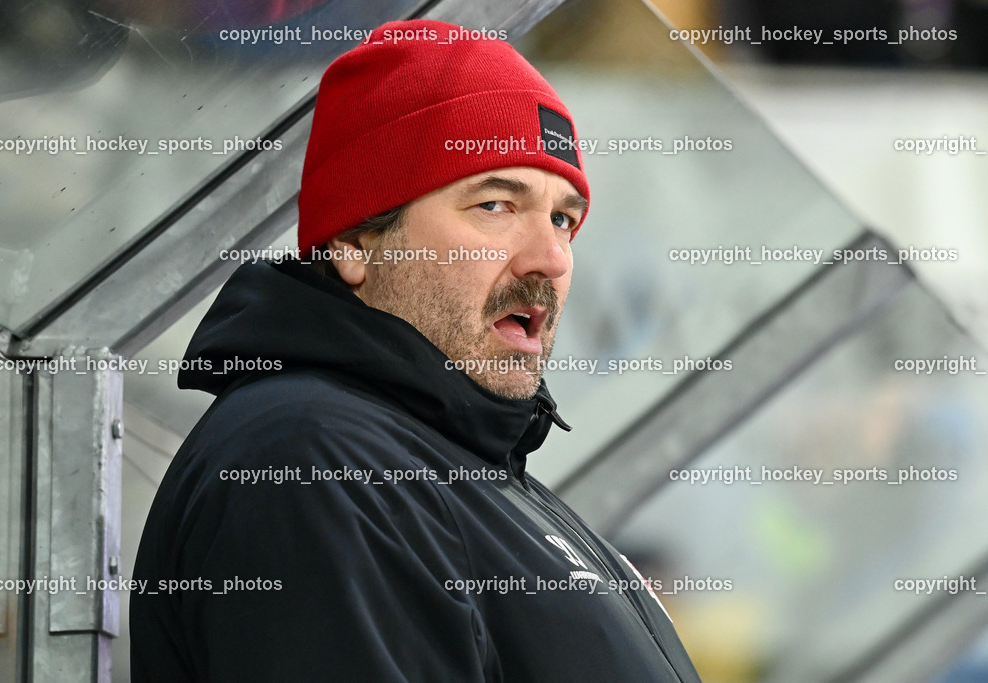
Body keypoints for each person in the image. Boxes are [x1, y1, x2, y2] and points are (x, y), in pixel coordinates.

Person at [130, 18, 701, 682]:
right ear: (352, 241)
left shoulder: (463, 465)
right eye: (494, 204)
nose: (551, 257)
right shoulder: (319, 464)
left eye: (563, 217)